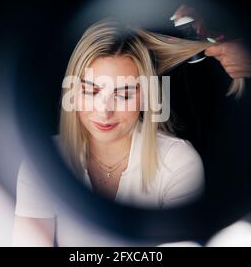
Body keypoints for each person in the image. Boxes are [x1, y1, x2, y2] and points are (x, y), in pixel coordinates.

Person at [12, 20, 214, 246]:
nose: (104, 110)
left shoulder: (178, 162)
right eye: (91, 91)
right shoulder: (43, 160)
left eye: (124, 94)